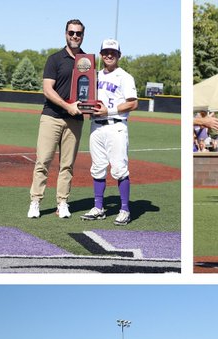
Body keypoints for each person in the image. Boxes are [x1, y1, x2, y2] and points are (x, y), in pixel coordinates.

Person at [28, 18, 88, 220]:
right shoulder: (55, 59)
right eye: (71, 32)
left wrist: (86, 107)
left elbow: (89, 91)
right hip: (52, 117)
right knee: (43, 160)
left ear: (83, 35)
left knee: (67, 165)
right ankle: (35, 201)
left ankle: (62, 203)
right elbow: (47, 89)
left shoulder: (87, 61)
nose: (74, 36)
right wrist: (67, 106)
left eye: (78, 33)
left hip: (75, 120)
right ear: (65, 34)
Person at [81, 40, 138, 225]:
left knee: (119, 168)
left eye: (113, 52)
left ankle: (124, 209)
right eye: (105, 52)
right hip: (96, 126)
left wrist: (109, 111)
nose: (109, 55)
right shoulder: (94, 76)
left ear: (119, 55)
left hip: (116, 125)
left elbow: (133, 103)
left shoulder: (125, 77)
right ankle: (98, 207)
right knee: (97, 167)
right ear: (101, 54)